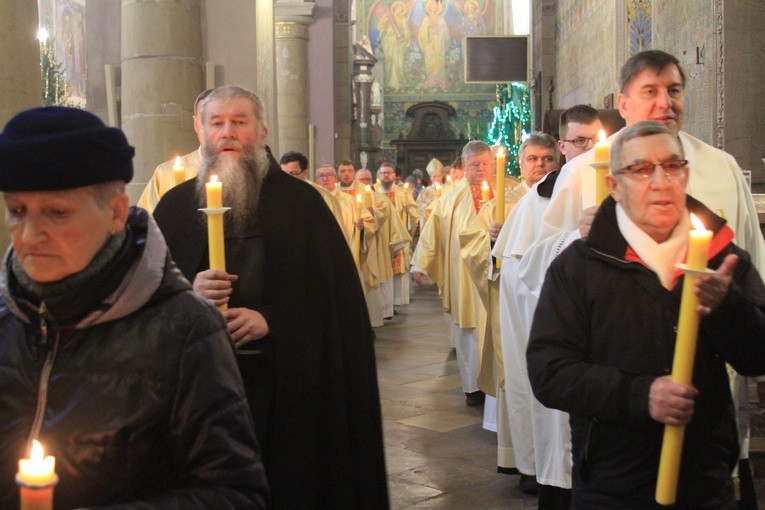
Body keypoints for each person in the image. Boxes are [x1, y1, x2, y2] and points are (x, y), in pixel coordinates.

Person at [506, 50, 765, 509]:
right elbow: (549, 369)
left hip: (705, 477)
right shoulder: (581, 264)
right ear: (615, 184)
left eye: (672, 168)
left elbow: (758, 351)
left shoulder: (719, 247)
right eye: (642, 170)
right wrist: (640, 395)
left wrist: (729, 308)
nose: (660, 182)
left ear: (687, 173)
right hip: (612, 479)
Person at [0, 106, 268, 509]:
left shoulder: (184, 329)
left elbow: (235, 492)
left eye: (56, 212)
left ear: (115, 212)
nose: (30, 235)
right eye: (17, 211)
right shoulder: (5, 319)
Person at [152, 86, 389, 509]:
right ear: (199, 129)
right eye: (217, 122)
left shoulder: (303, 206)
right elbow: (146, 306)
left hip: (286, 389)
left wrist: (272, 319)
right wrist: (189, 292)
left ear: (261, 130)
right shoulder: (171, 209)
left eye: (239, 122)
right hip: (197, 396)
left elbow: (338, 306)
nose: (227, 133)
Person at [490, 107, 604, 507]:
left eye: (596, 141)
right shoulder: (540, 199)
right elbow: (519, 271)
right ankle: (544, 470)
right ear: (564, 145)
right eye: (580, 142)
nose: (591, 151)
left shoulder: (625, 183)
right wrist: (576, 239)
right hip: (558, 330)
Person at [459, 133, 558, 494]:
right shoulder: (500, 202)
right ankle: (524, 460)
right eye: (533, 159)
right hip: (516, 310)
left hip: (558, 309)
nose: (540, 166)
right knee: (520, 379)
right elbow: (469, 251)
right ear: (521, 162)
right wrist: (491, 240)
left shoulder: (569, 198)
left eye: (547, 159)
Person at [412, 140, 495, 406]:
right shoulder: (450, 197)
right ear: (464, 165)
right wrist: (420, 263)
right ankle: (473, 387)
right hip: (465, 277)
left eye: (485, 163)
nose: (481, 169)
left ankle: (499, 387)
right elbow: (431, 232)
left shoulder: (509, 189)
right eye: (475, 165)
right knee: (469, 329)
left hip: (499, 274)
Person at [137, 88, 213, 212]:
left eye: (219, 122)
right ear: (195, 124)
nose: (213, 128)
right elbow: (144, 226)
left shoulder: (249, 175)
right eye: (205, 119)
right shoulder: (164, 175)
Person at [279, 151, 347, 244]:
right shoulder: (277, 196)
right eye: (283, 174)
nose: (286, 179)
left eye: (292, 173)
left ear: (305, 173)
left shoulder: (323, 197)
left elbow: (335, 235)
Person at [375, 162, 418, 307]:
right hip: (380, 237)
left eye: (389, 172)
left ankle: (396, 301)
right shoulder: (373, 193)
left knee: (398, 266)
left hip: (398, 236)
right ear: (378, 175)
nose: (386, 175)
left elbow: (414, 213)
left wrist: (408, 212)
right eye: (383, 173)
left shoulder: (402, 193)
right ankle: (385, 304)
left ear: (394, 175)